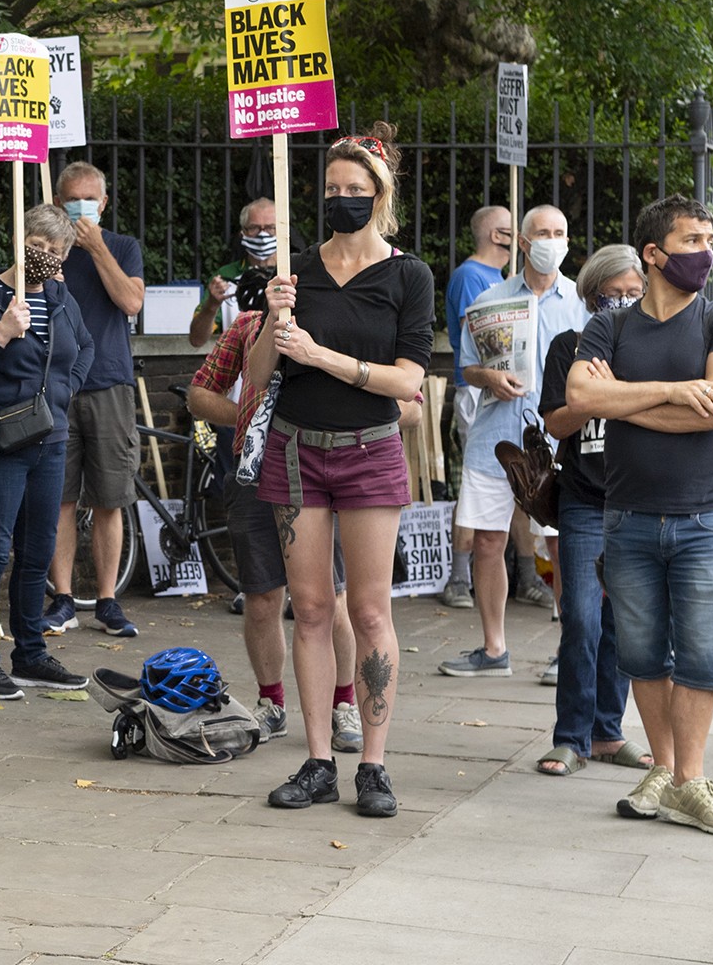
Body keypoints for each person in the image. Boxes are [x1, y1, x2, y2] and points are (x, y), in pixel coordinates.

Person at [245, 125, 434, 819]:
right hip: (296, 451)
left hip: (369, 450)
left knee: (370, 608)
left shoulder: (407, 275)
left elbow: (409, 380)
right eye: (332, 189)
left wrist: (323, 356)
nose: (342, 199)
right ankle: (319, 757)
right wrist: (275, 317)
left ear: (380, 196)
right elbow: (258, 377)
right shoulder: (295, 270)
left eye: (356, 190)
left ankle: (374, 766)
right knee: (313, 609)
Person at [567, 194, 713, 836]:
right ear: (654, 254)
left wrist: (620, 401)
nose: (705, 252)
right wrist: (675, 391)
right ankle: (667, 772)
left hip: (702, 516)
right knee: (643, 654)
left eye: (708, 239)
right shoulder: (611, 327)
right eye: (691, 241)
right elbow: (579, 395)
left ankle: (689, 780)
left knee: (702, 653)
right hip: (627, 517)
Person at [187, 271, 364, 750]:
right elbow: (199, 393)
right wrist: (247, 414)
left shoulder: (345, 324)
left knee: (333, 598)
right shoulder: (247, 326)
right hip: (255, 474)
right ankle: (272, 702)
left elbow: (408, 404)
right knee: (262, 596)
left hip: (321, 475)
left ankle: (344, 704)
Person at [0, 203, 95, 699]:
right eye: (36, 246)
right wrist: (0, 334)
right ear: (18, 240)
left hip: (50, 439)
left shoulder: (60, 297)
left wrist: (65, 390)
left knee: (38, 552)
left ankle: (30, 653)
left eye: (55, 251)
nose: (45, 257)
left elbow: (86, 347)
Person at [438, 205, 588, 679]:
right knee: (487, 541)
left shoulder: (583, 302)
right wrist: (489, 377)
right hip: (496, 437)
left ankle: (571, 648)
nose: (552, 240)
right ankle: (493, 647)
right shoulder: (491, 298)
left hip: (561, 440)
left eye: (559, 232)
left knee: (564, 545)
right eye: (542, 232)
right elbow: (467, 366)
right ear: (522, 242)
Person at [533, 245, 646, 776]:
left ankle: (607, 732)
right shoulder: (568, 348)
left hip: (638, 501)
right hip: (583, 501)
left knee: (623, 623)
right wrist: (595, 395)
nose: (623, 302)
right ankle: (570, 737)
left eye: (633, 293)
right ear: (591, 294)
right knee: (580, 616)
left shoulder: (653, 350)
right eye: (613, 294)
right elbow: (555, 424)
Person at [43, 161, 146, 638]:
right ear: (58, 201)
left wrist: (98, 248)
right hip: (56, 386)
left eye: (91, 198)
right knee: (58, 498)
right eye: (72, 198)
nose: (82, 206)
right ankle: (61, 598)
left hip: (108, 383)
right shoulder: (48, 249)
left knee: (110, 498)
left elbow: (130, 303)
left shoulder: (123, 247)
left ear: (104, 204)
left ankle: (107, 600)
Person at [440, 205, 513, 608]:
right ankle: (459, 577)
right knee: (480, 481)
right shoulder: (471, 277)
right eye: (510, 230)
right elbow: (484, 341)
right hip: (478, 390)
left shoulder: (498, 277)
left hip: (507, 391)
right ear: (495, 234)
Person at [189, 197, 278, 347]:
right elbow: (196, 340)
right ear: (243, 232)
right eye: (254, 228)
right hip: (239, 367)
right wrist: (211, 305)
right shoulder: (226, 276)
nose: (263, 235)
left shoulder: (297, 272)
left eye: (270, 228)